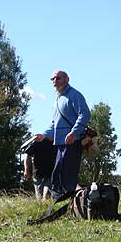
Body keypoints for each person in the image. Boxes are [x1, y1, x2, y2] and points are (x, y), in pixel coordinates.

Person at [35, 70, 91, 199]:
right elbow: (54, 123)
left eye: (58, 78)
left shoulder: (74, 95)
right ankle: (58, 201)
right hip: (60, 143)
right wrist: (43, 135)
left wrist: (74, 132)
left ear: (66, 79)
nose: (55, 81)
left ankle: (73, 203)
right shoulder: (58, 99)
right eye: (52, 79)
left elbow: (85, 114)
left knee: (68, 175)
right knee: (58, 174)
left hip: (73, 142)